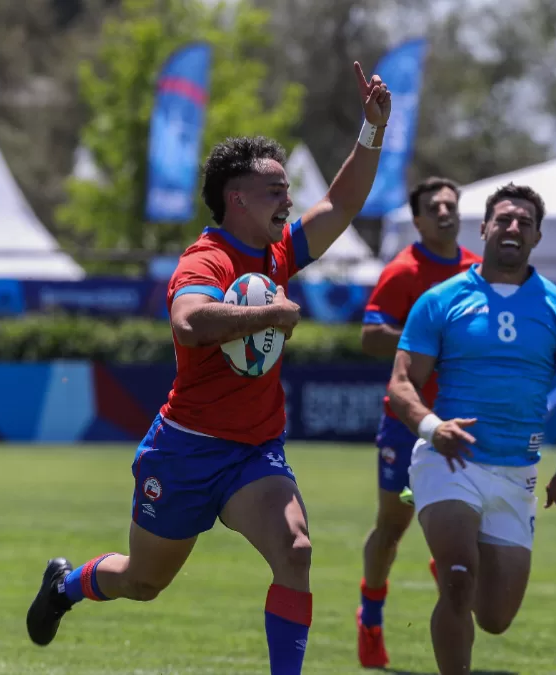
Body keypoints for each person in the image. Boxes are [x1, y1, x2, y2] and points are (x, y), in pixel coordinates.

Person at [24, 60, 392, 675]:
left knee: (295, 551)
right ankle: (68, 585)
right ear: (236, 196)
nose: (289, 198)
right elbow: (189, 322)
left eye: (286, 189)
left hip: (254, 452)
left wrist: (372, 128)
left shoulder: (276, 251)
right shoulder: (206, 259)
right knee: (144, 582)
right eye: (275, 189)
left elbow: (342, 203)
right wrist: (266, 316)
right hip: (186, 451)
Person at [387, 182, 556, 674]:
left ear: (538, 236)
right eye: (503, 219)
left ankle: (456, 554)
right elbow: (401, 385)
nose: (513, 228)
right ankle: (454, 555)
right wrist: (433, 427)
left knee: (497, 618)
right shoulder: (440, 300)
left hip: (516, 474)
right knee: (459, 583)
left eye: (524, 222)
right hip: (449, 461)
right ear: (482, 228)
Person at [355, 176, 481, 668]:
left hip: (464, 422)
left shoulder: (478, 269)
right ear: (419, 218)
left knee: (471, 529)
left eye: (452, 204)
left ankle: (448, 584)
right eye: (435, 206)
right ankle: (370, 615)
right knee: (391, 527)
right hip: (407, 424)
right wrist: (427, 339)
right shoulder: (404, 271)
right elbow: (369, 337)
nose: (445, 212)